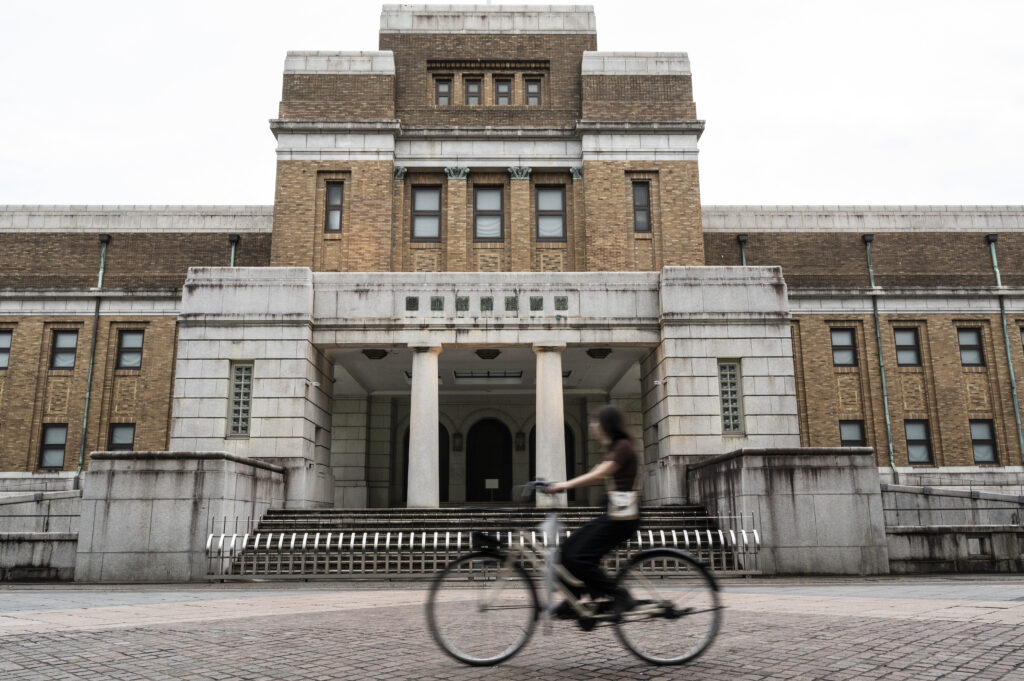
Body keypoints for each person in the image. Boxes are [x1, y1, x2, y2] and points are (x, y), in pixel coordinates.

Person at [544, 404, 640, 619]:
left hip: (623, 517)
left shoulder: (623, 446)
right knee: (566, 551)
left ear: (607, 424)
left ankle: (620, 595)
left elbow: (600, 475)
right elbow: (597, 470)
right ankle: (576, 599)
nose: (593, 425)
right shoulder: (614, 448)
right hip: (614, 514)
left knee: (579, 556)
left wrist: (564, 485)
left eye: (597, 421)